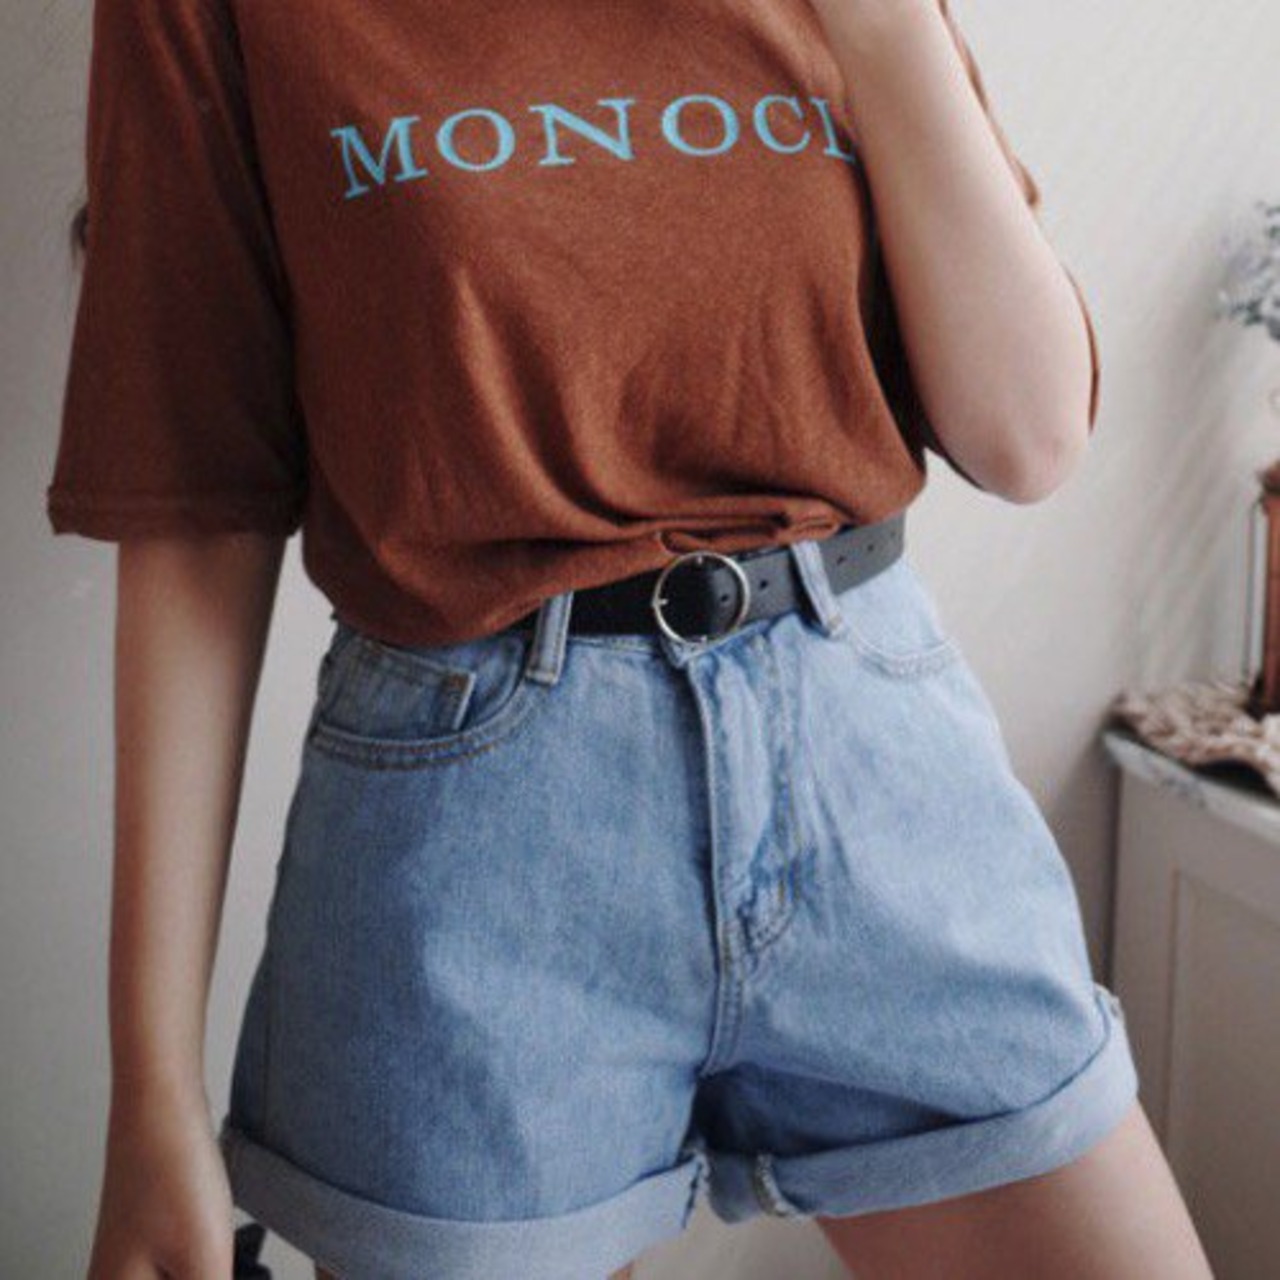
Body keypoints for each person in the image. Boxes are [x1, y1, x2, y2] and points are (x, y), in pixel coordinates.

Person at [47, 0, 1214, 1277]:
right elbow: (196, 509)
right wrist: (150, 1085)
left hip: (877, 773)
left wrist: (879, 28)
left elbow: (1027, 436)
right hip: (474, 848)